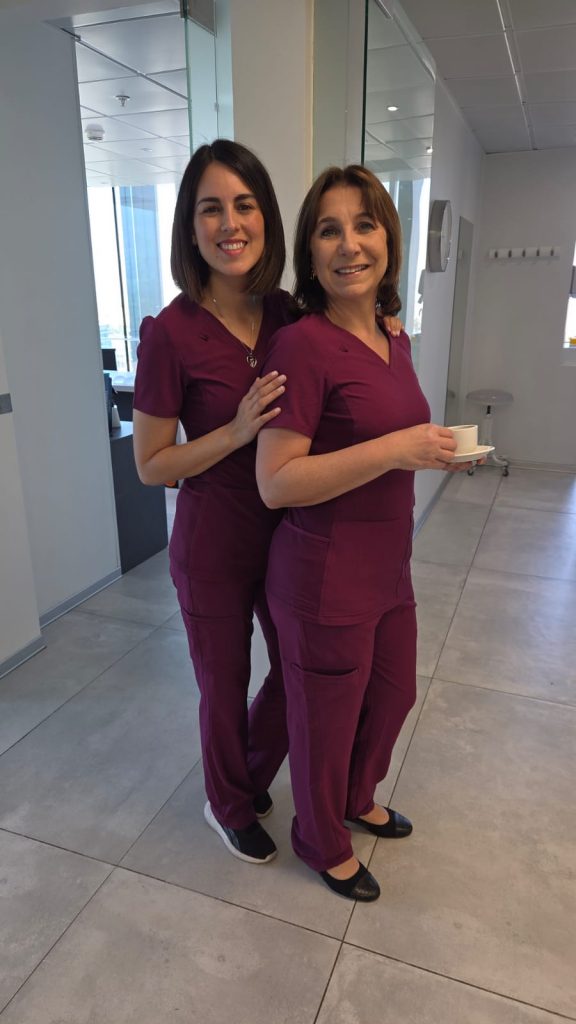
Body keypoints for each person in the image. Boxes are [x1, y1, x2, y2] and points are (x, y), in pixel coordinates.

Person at [133, 139, 409, 867]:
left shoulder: (286, 313)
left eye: (245, 205)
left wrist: (383, 322)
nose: (231, 224)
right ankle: (227, 804)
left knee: (297, 679)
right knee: (223, 687)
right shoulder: (170, 333)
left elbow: (344, 331)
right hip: (216, 546)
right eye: (211, 209)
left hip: (290, 539)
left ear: (267, 219)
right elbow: (151, 465)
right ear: (190, 228)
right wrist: (234, 431)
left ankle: (249, 776)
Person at [256, 164, 476, 900]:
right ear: (311, 253)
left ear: (388, 239)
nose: (349, 244)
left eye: (364, 224)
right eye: (329, 230)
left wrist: (433, 450)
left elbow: (394, 435)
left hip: (387, 568)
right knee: (325, 718)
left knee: (393, 695)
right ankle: (320, 837)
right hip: (323, 578)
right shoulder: (302, 347)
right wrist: (395, 449)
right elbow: (276, 481)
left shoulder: (393, 337)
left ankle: (355, 798)